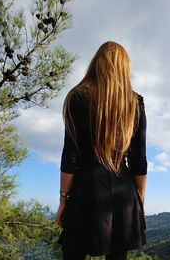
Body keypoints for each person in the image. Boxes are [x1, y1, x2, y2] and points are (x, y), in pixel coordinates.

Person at [56, 41, 147, 260]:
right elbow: (139, 160)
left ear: (96, 63)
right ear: (123, 67)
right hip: (123, 194)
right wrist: (139, 200)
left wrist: (63, 200)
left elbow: (70, 156)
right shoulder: (134, 103)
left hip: (85, 191)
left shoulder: (76, 97)